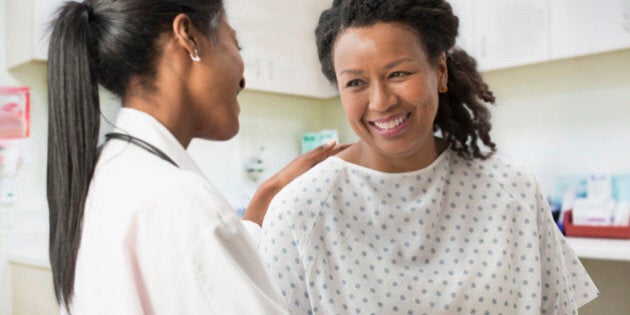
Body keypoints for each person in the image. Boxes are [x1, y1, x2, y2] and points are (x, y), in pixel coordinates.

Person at [259, 0, 599, 314]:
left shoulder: (514, 191)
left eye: (398, 74)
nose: (380, 101)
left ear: (439, 71)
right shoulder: (299, 212)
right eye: (356, 83)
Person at [46, 0, 347, 313]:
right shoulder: (178, 201)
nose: (243, 78)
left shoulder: (109, 175)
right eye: (235, 43)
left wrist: (264, 200)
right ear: (188, 37)